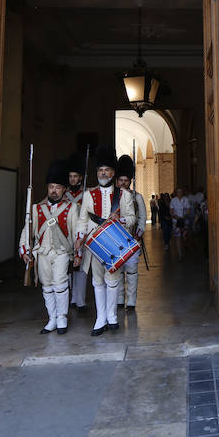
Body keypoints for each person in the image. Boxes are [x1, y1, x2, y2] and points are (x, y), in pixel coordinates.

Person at [75, 144, 135, 336]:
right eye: (100, 170)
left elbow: (132, 218)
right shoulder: (87, 195)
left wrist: (121, 219)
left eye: (106, 170)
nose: (103, 173)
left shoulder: (124, 195)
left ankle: (112, 316)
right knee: (97, 281)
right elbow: (82, 221)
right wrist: (78, 239)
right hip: (94, 245)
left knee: (113, 280)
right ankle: (100, 318)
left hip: (114, 243)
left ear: (113, 172)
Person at [18, 159, 79, 335]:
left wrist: (78, 253)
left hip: (62, 252)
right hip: (42, 252)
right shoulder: (37, 209)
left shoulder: (71, 208)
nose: (53, 190)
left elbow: (76, 232)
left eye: (58, 187)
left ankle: (62, 317)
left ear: (64, 189)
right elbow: (27, 231)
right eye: (51, 186)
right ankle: (52, 318)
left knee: (60, 283)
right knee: (47, 286)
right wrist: (24, 249)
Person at [116, 155, 146, 311]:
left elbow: (142, 218)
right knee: (119, 271)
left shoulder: (137, 197)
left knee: (132, 271)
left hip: (132, 239)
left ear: (130, 181)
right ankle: (120, 298)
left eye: (125, 181)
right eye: (120, 180)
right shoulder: (113, 197)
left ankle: (132, 301)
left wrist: (138, 235)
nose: (123, 183)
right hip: (116, 239)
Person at [65, 152, 88, 314]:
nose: (73, 179)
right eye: (70, 176)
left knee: (81, 268)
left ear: (80, 178)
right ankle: (72, 298)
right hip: (66, 235)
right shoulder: (64, 194)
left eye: (75, 176)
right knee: (68, 268)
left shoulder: (86, 194)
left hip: (81, 234)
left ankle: (80, 300)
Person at [170, 187, 192, 261]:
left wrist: (184, 216)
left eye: (181, 192)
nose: (179, 193)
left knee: (184, 237)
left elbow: (189, 210)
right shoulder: (173, 200)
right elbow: (171, 211)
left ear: (183, 192)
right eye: (178, 192)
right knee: (178, 237)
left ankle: (184, 248)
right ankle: (180, 255)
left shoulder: (186, 200)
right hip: (176, 221)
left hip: (184, 220)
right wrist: (177, 217)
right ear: (176, 193)